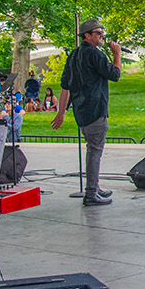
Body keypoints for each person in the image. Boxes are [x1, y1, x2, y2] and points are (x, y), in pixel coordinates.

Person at [52, 17, 123, 206]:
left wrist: (61, 112)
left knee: (92, 149)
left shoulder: (74, 55)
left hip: (81, 110)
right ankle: (91, 193)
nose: (102, 36)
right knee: (94, 151)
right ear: (87, 35)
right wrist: (117, 54)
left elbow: (65, 86)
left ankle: (94, 187)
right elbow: (115, 75)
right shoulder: (95, 54)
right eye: (98, 33)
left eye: (102, 33)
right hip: (95, 109)